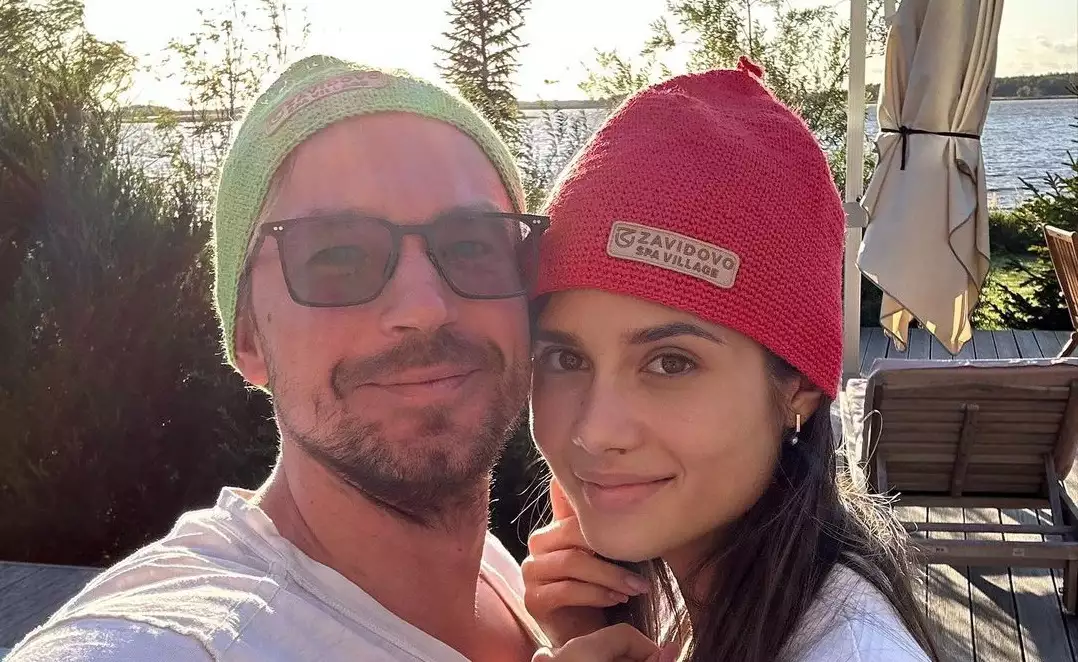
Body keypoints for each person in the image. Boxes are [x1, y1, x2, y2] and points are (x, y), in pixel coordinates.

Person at [7, 55, 549, 661]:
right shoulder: (177, 644)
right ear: (248, 339)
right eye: (337, 257)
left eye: (473, 245)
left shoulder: (503, 579)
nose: (425, 307)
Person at [520, 59, 941, 662]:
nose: (595, 431)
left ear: (798, 385)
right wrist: (583, 637)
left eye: (670, 363)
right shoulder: (696, 595)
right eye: (566, 358)